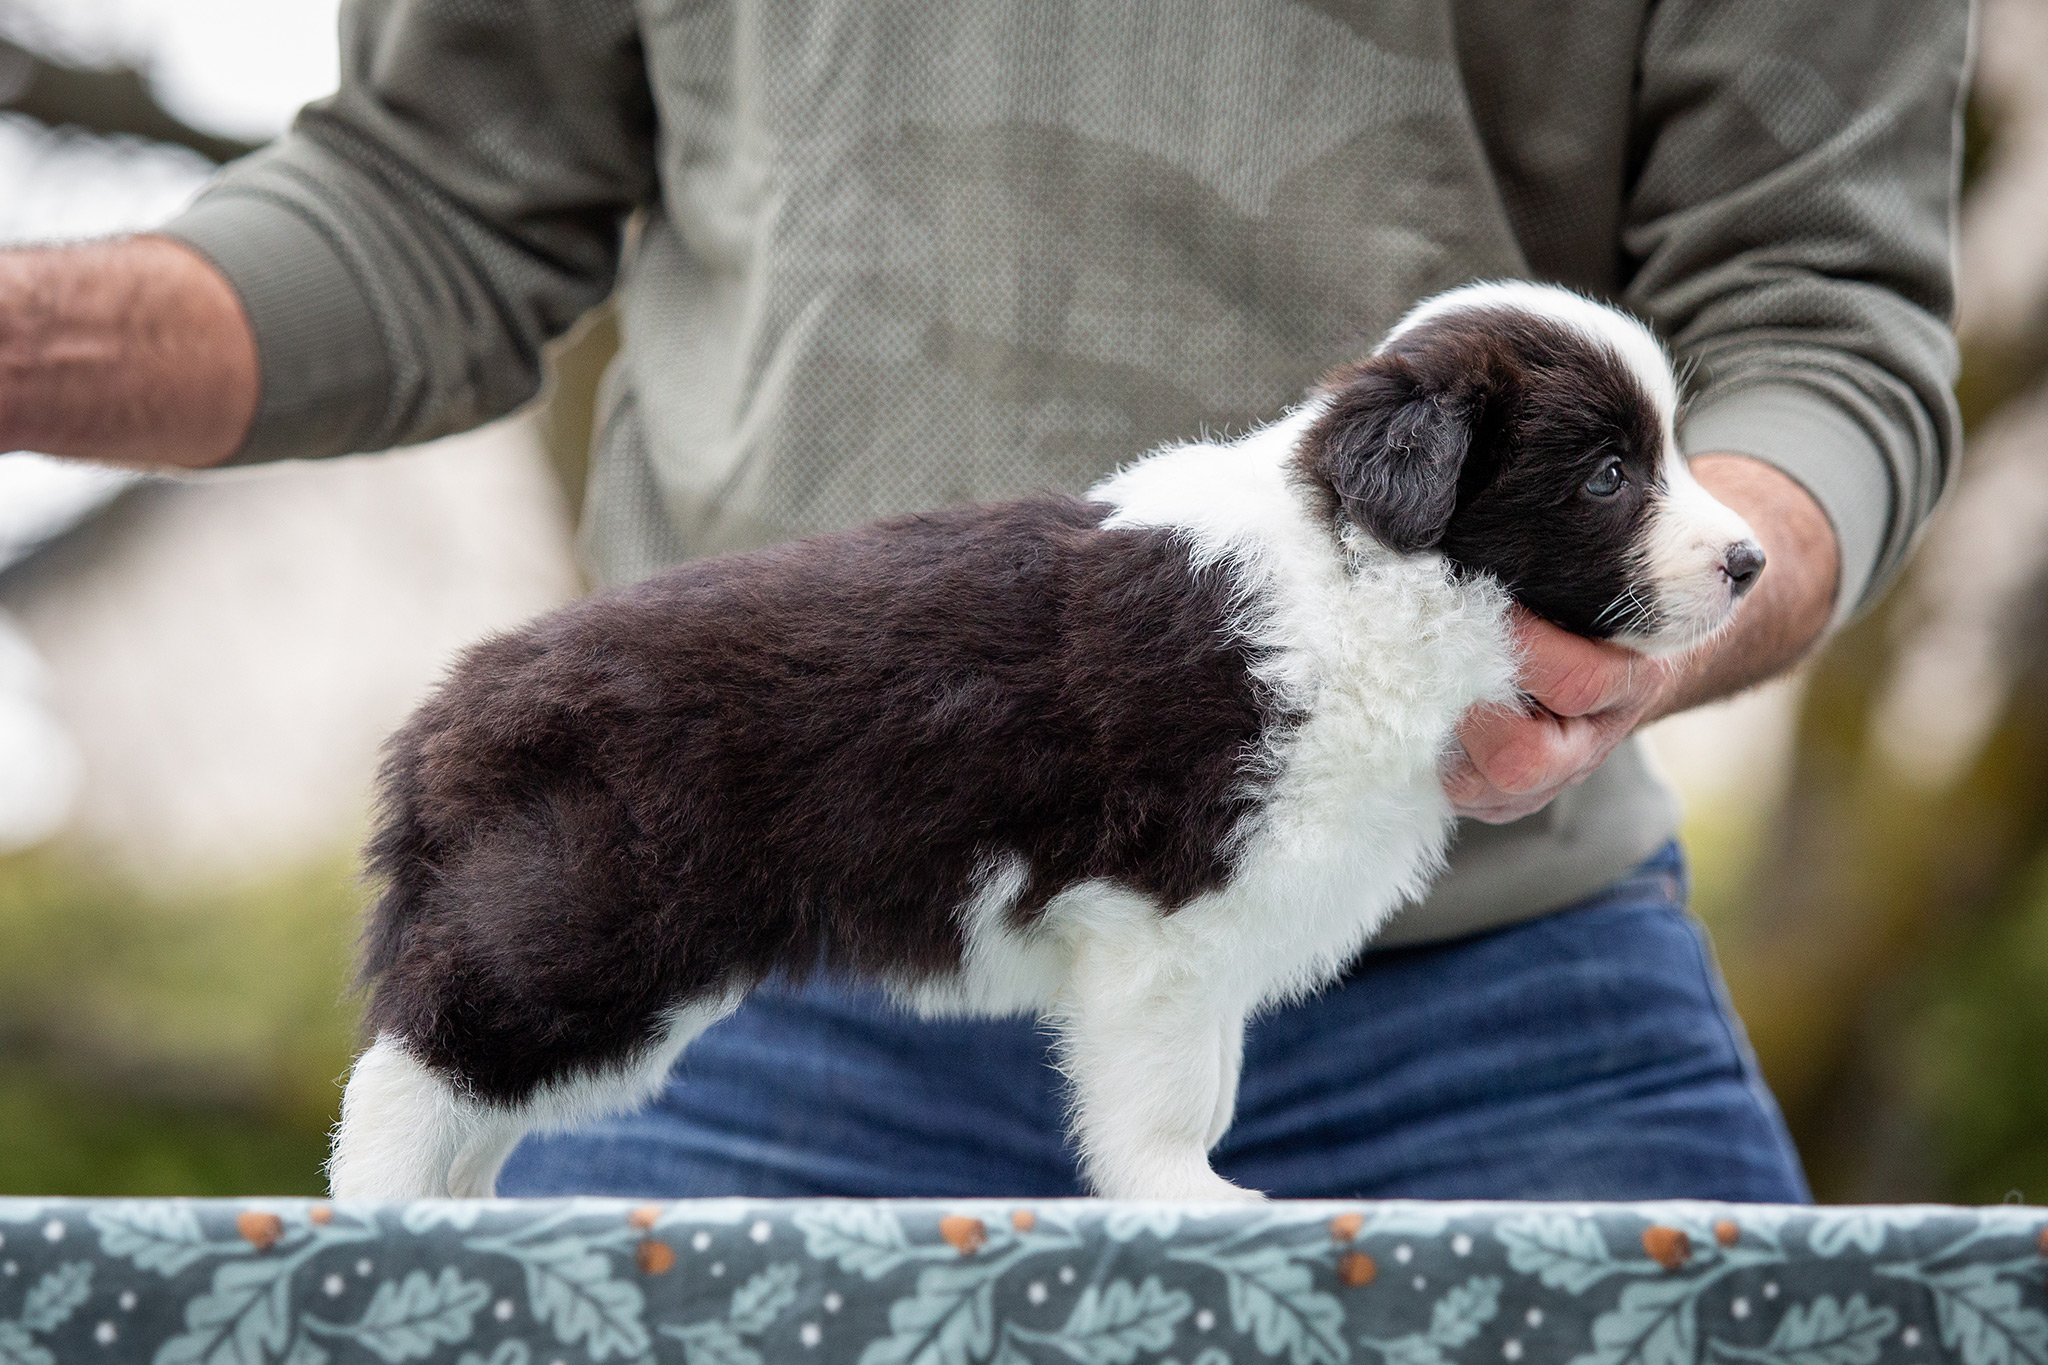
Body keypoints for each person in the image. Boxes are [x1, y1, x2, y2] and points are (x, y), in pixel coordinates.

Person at [0, 1, 1966, 1200]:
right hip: (766, 961)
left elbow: (1818, 299)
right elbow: (434, 185)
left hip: (1495, 997)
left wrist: (1666, 617)